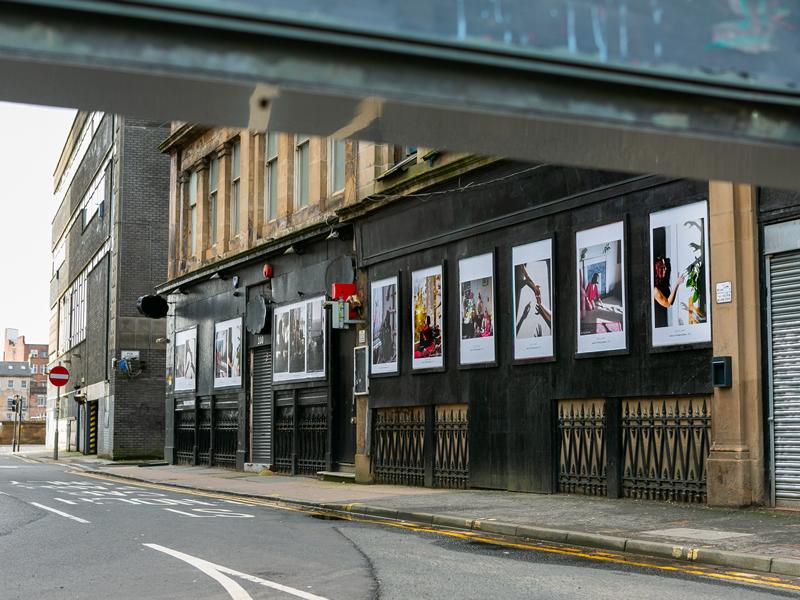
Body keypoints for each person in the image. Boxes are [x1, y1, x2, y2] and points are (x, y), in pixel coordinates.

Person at [653, 256, 685, 327]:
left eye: (665, 267)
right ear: (657, 271)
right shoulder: (655, 290)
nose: (666, 269)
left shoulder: (660, 281)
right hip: (661, 320)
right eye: (662, 268)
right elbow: (667, 303)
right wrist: (677, 284)